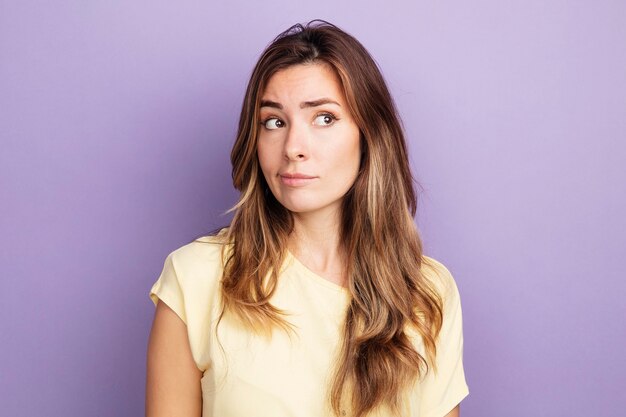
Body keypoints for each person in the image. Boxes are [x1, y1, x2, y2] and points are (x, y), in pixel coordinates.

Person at [146, 20, 469, 417]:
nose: (293, 147)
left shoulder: (427, 292)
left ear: (369, 136)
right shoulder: (195, 279)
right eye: (274, 122)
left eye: (324, 118)